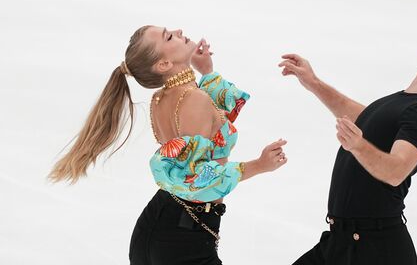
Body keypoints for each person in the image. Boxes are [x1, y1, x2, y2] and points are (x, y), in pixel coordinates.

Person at [48, 25, 288, 265]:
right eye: (169, 36)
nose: (178, 30)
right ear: (163, 64)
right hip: (183, 239)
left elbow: (213, 121)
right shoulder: (194, 99)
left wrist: (206, 72)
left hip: (161, 227)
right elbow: (197, 178)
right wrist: (259, 165)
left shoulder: (162, 98)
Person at [278, 45, 417, 265]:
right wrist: (313, 82)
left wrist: (358, 145)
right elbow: (363, 118)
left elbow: (397, 170)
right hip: (343, 242)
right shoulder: (407, 101)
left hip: (374, 250)